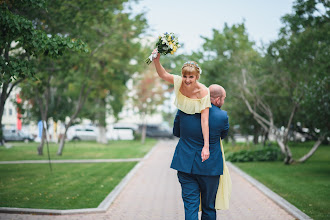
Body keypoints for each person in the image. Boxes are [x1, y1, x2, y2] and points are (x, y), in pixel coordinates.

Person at [171, 84, 229, 220]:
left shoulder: (184, 110)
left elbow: (176, 132)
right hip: (210, 166)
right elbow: (223, 135)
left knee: (190, 206)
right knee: (209, 206)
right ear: (217, 99)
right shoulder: (222, 116)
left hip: (186, 165)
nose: (223, 102)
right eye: (224, 99)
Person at [153, 52, 211, 162]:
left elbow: (204, 120)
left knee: (194, 149)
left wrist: (206, 146)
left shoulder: (203, 91)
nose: (187, 80)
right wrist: (156, 61)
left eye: (191, 77)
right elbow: (163, 75)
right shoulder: (178, 82)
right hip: (181, 116)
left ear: (197, 77)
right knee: (181, 147)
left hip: (197, 119)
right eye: (185, 76)